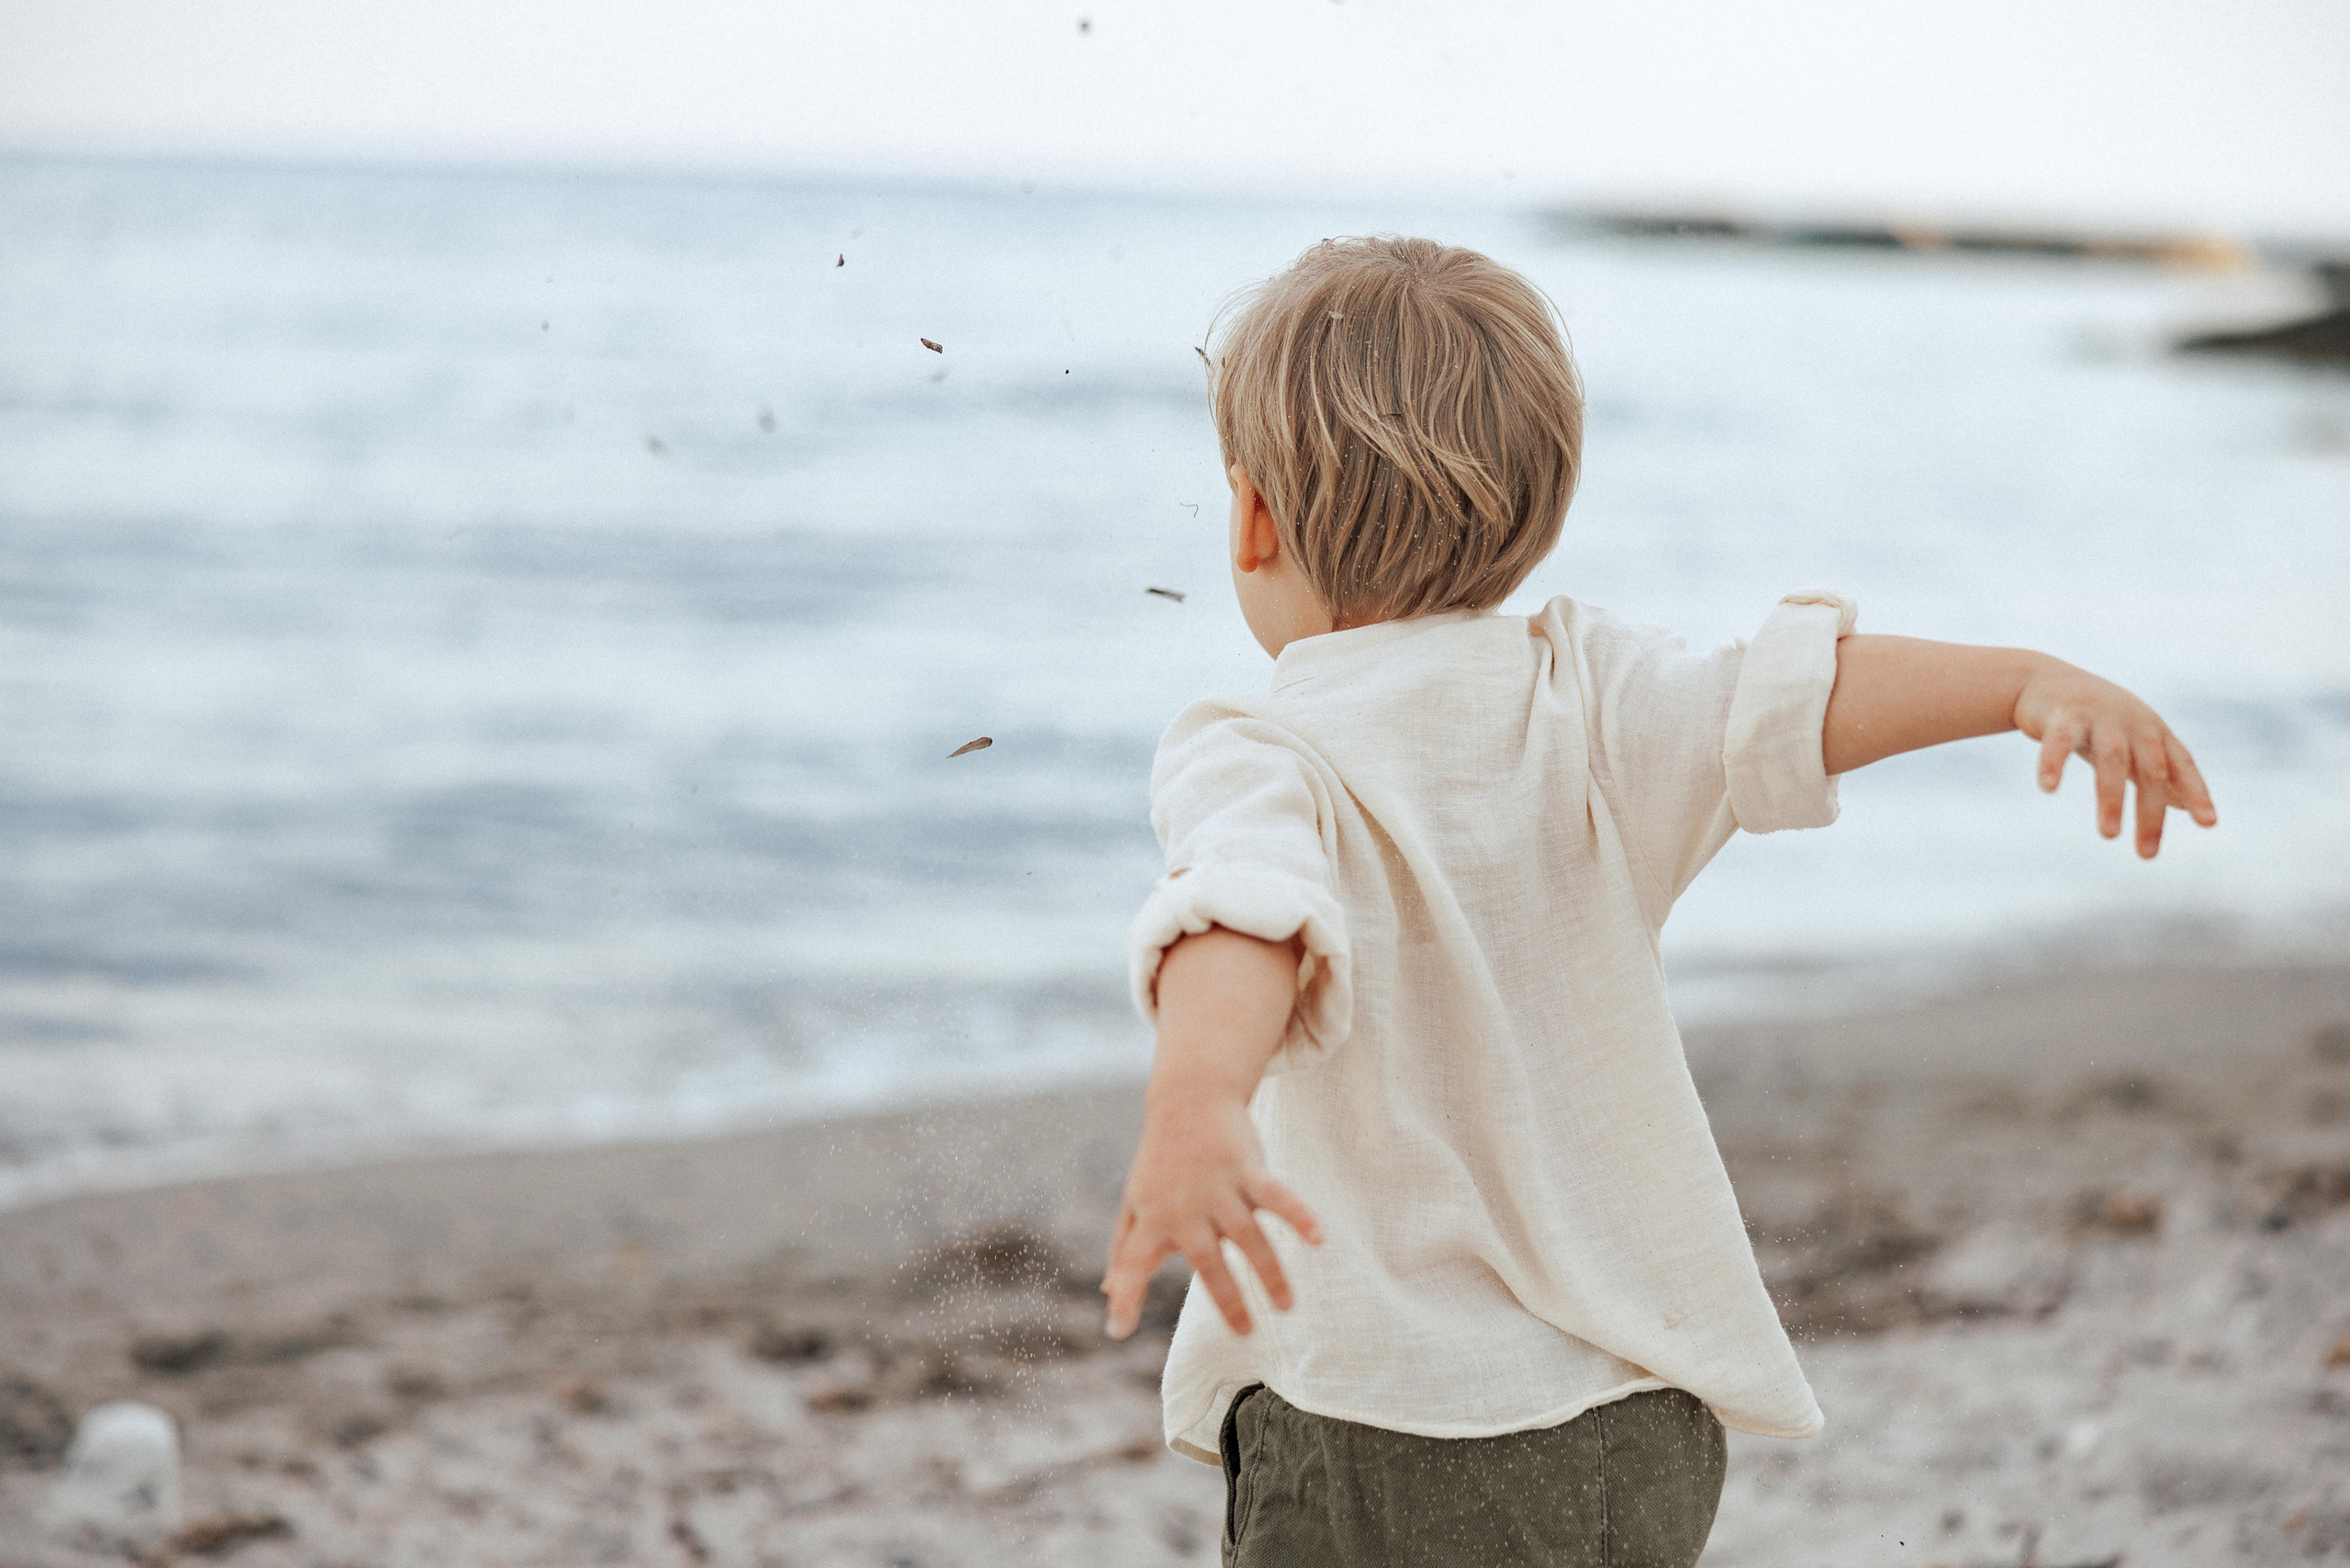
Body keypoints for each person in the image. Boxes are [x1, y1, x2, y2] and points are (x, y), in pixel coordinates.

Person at [1095, 236, 2217, 1567]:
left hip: (1373, 1420)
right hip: (1635, 1423)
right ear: (1541, 510)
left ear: (1250, 519)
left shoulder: (1258, 747)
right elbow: (1791, 695)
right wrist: (2024, 681)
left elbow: (1247, 909)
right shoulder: (1596, 699)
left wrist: (1198, 1099)